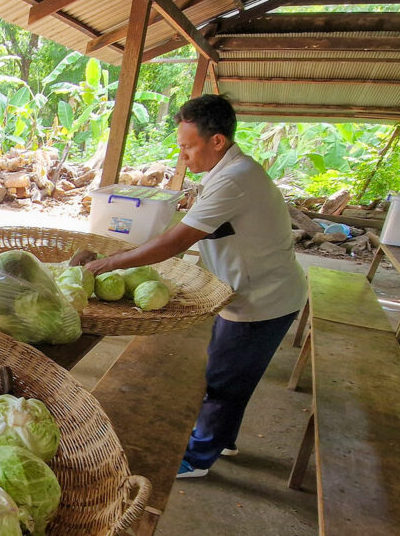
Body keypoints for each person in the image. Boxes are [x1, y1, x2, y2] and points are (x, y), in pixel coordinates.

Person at [84, 94, 306, 479]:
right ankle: (224, 438)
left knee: (224, 378)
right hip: (251, 291)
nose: (182, 157)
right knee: (235, 373)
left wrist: (106, 263)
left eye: (188, 147)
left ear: (216, 141)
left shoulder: (235, 180)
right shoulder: (230, 173)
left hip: (262, 300)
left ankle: (198, 458)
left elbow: (175, 242)